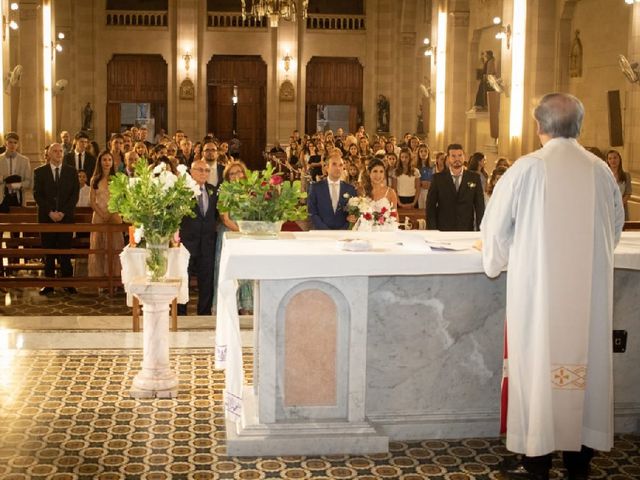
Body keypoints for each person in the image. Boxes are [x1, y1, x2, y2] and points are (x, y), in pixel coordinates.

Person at [481, 93, 625, 480]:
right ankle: (580, 461)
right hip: (588, 300)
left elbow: (494, 232)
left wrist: (499, 259)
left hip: (537, 295)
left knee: (537, 365)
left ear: (539, 126)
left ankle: (537, 461)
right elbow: (614, 229)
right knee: (587, 364)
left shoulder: (526, 170)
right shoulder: (600, 171)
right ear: (579, 125)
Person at [33, 143, 80, 295]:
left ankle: (68, 283)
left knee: (65, 251)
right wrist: (50, 213)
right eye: (55, 151)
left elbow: (74, 195)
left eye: (61, 151)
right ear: (49, 154)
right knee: (49, 252)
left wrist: (63, 213)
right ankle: (49, 284)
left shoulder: (71, 172)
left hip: (66, 218)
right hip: (46, 218)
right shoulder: (39, 172)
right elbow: (37, 195)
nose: (59, 153)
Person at [178, 159, 218, 316]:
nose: (204, 173)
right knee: (184, 281)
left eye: (207, 171)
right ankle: (181, 315)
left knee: (206, 282)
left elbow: (215, 216)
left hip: (207, 243)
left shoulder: (213, 191)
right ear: (191, 172)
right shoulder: (183, 191)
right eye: (200, 170)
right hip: (187, 242)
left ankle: (204, 314)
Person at [212, 161, 253, 314]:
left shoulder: (250, 191)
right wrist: (241, 231)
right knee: (230, 272)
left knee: (246, 272)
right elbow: (225, 218)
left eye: (238, 172)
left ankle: (246, 308)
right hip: (229, 235)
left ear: (244, 173)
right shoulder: (224, 191)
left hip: (246, 237)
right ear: (227, 177)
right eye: (232, 173)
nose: (236, 176)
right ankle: (228, 308)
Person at [426, 143, 485, 231]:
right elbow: (430, 206)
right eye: (453, 156)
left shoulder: (474, 178)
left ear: (464, 157)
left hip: (466, 229)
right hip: (443, 229)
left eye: (460, 155)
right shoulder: (438, 178)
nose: (457, 159)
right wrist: (433, 230)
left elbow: (479, 206)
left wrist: (481, 230)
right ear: (448, 158)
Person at [88, 151, 124, 285]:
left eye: (109, 160)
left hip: (114, 215)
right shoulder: (94, 179)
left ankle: (114, 279)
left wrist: (110, 212)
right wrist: (102, 213)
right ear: (100, 162)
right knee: (99, 248)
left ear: (112, 162)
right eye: (104, 160)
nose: (107, 162)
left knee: (115, 248)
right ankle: (99, 280)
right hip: (98, 215)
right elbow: (92, 201)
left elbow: (120, 198)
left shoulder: (117, 178)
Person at [307, 155, 357, 230]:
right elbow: (312, 213)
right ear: (326, 167)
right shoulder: (315, 188)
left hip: (343, 233)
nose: (338, 168)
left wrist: (343, 229)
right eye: (334, 164)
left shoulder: (350, 189)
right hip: (322, 233)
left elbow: (353, 214)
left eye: (340, 165)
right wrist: (326, 231)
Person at [0, 132, 33, 212]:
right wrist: (3, 179)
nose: (12, 145)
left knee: (18, 221)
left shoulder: (24, 160)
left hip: (18, 198)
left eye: (15, 143)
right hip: (1, 197)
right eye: (10, 142)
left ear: (18, 144)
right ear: (5, 143)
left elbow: (29, 182)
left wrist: (16, 185)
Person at [605, 149, 632, 220]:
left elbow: (628, 193)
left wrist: (618, 206)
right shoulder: (604, 175)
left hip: (621, 209)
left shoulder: (626, 175)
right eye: (610, 158)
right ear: (607, 161)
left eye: (615, 157)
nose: (613, 160)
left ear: (619, 159)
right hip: (607, 209)